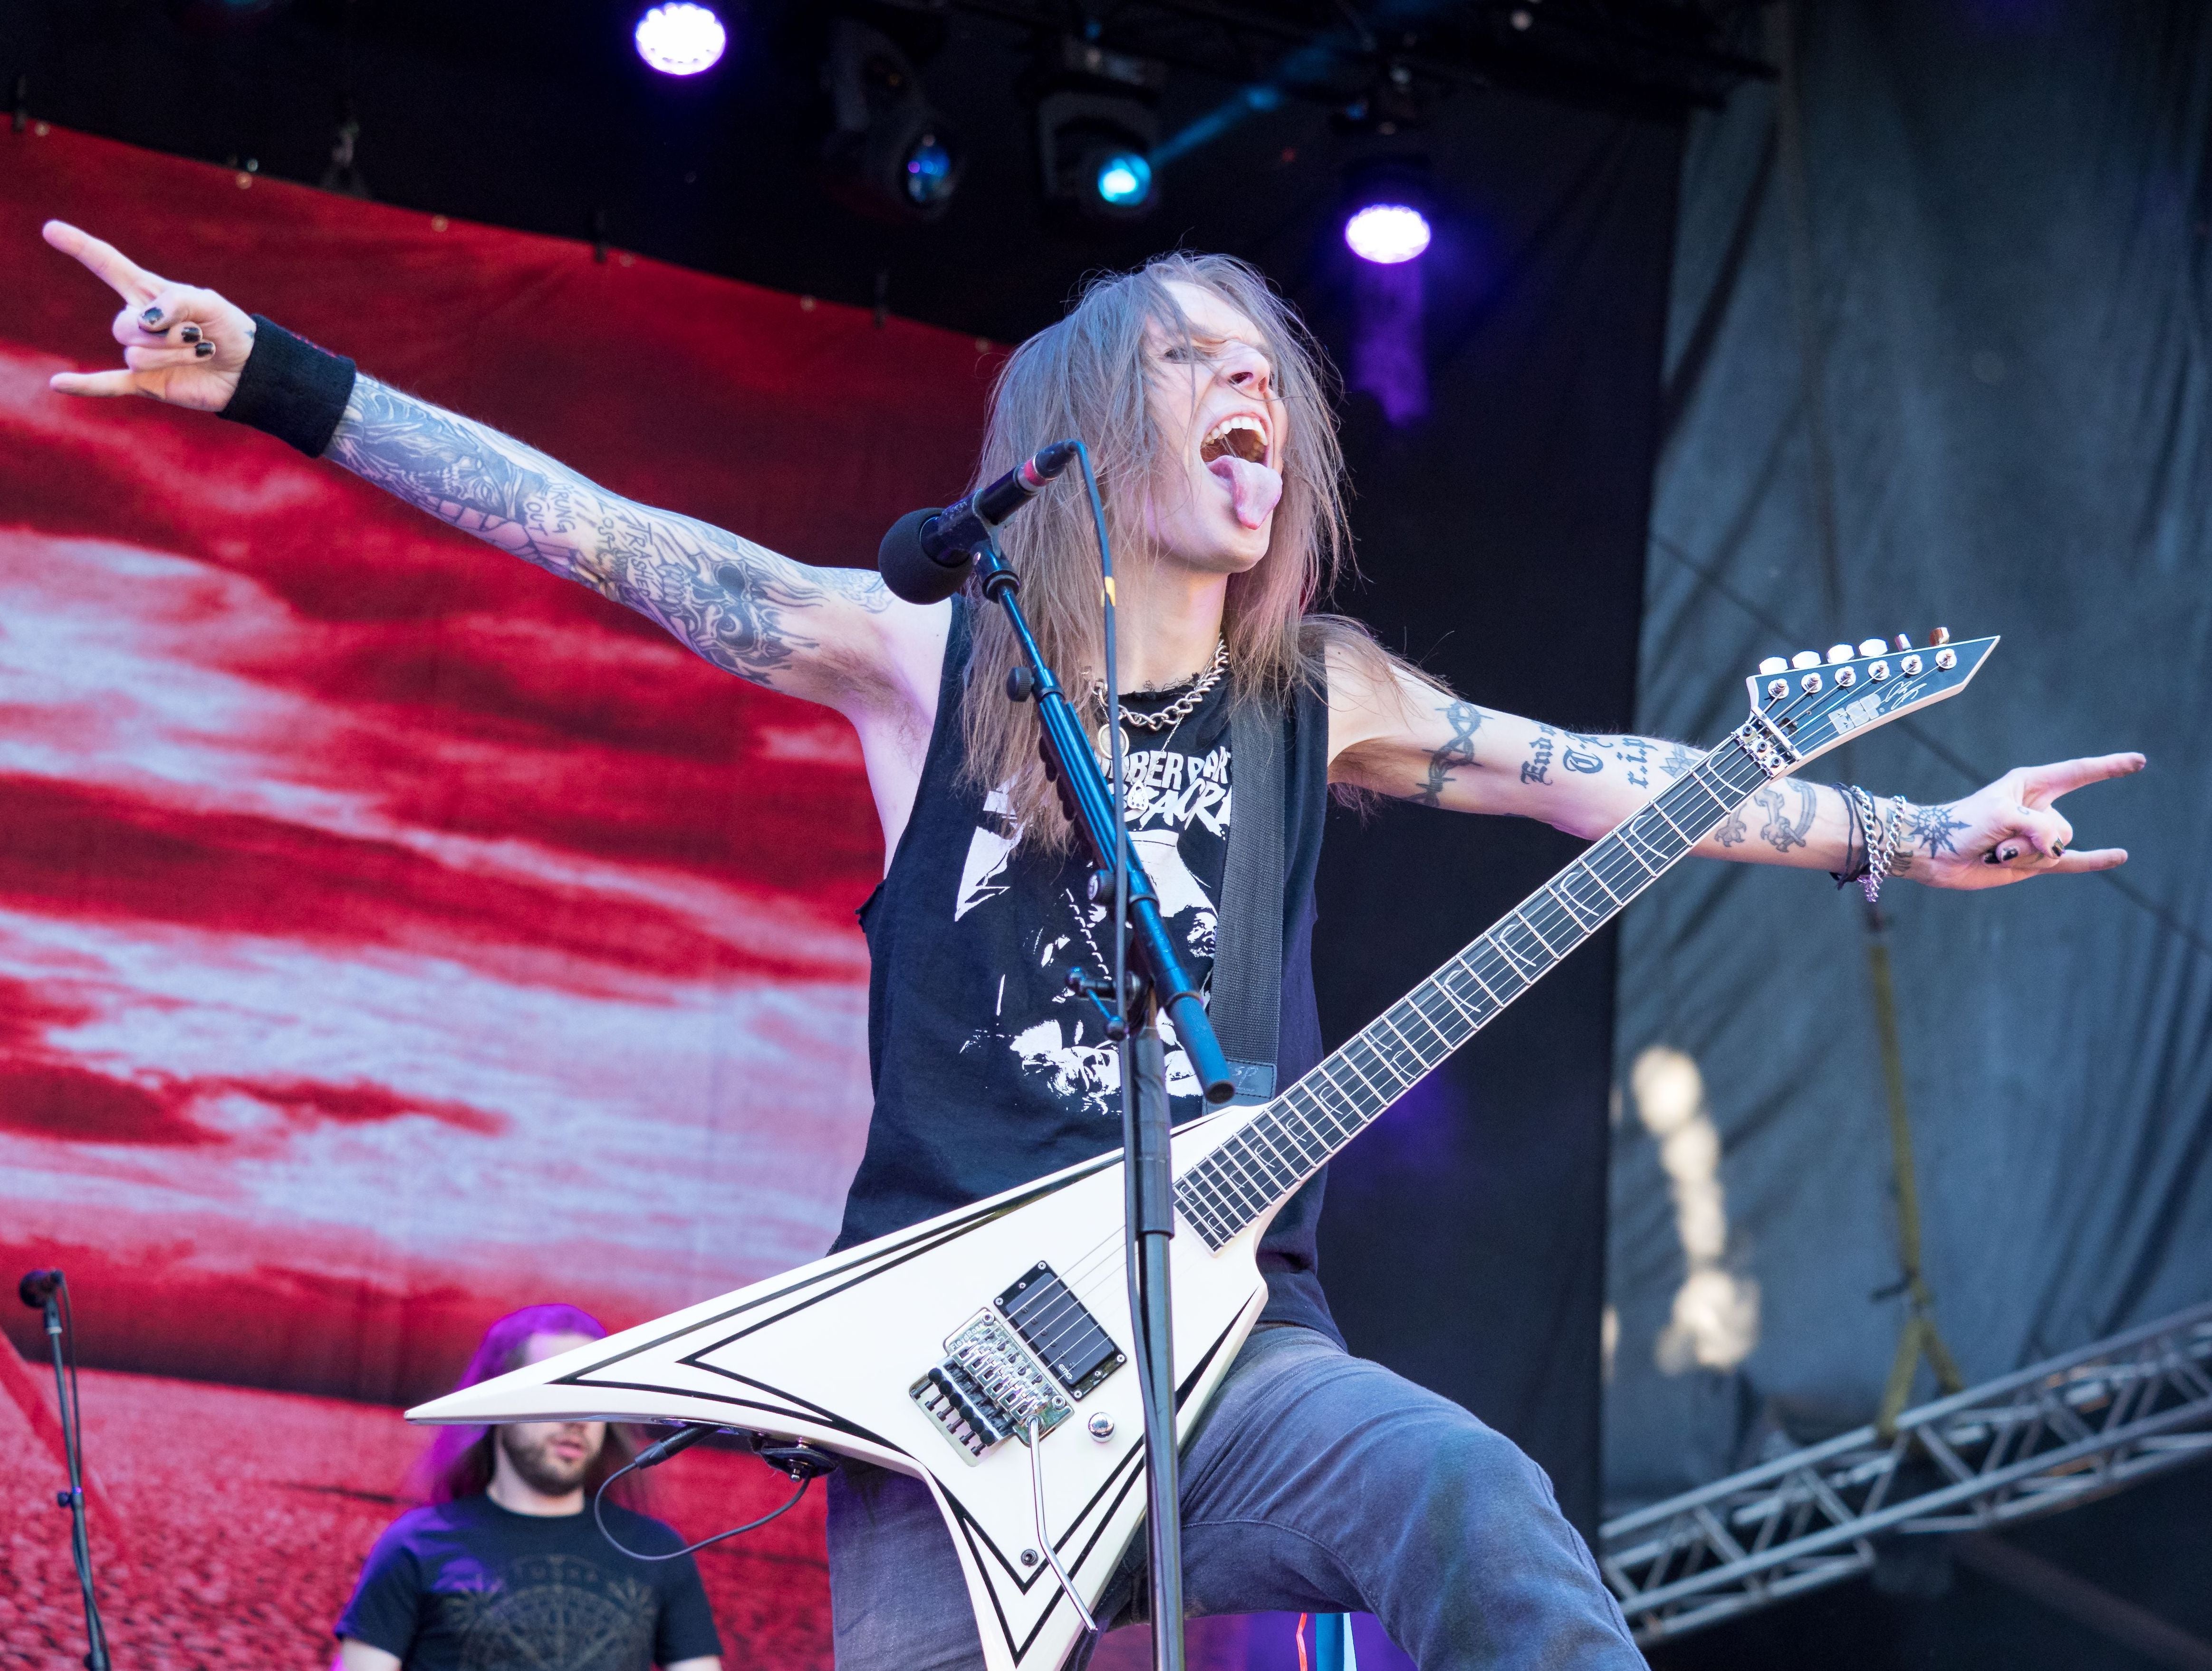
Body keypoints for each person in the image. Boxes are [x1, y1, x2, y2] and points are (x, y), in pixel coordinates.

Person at [45, 221, 2140, 1670]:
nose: (1259, 383)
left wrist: (1905, 823)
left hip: (1242, 1352)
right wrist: (278, 381)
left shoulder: (1323, 685)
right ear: (1085, 422)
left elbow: (1602, 775)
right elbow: (602, 536)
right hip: (949, 1387)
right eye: (1196, 359)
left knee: (1473, 1497)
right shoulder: (925, 649)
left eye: (1272, 371)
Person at [333, 1304, 723, 1671]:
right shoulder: (414, 1546)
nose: (578, 1418)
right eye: (556, 1391)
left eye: (595, 1396)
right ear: (497, 1402)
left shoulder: (657, 1550)